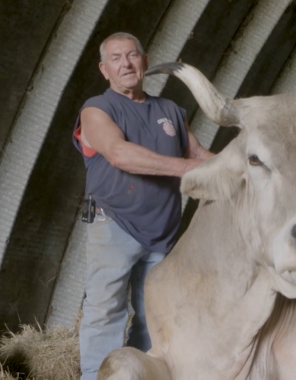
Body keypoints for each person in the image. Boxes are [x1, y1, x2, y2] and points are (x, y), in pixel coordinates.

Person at [72, 32, 213, 380]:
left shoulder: (168, 111)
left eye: (133, 55)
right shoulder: (97, 108)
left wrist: (248, 165)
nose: (126, 64)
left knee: (155, 312)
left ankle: (142, 374)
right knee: (107, 309)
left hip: (162, 231)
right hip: (114, 224)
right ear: (104, 70)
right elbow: (119, 153)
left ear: (146, 62)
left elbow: (199, 156)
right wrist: (187, 169)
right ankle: (95, 376)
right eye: (117, 58)